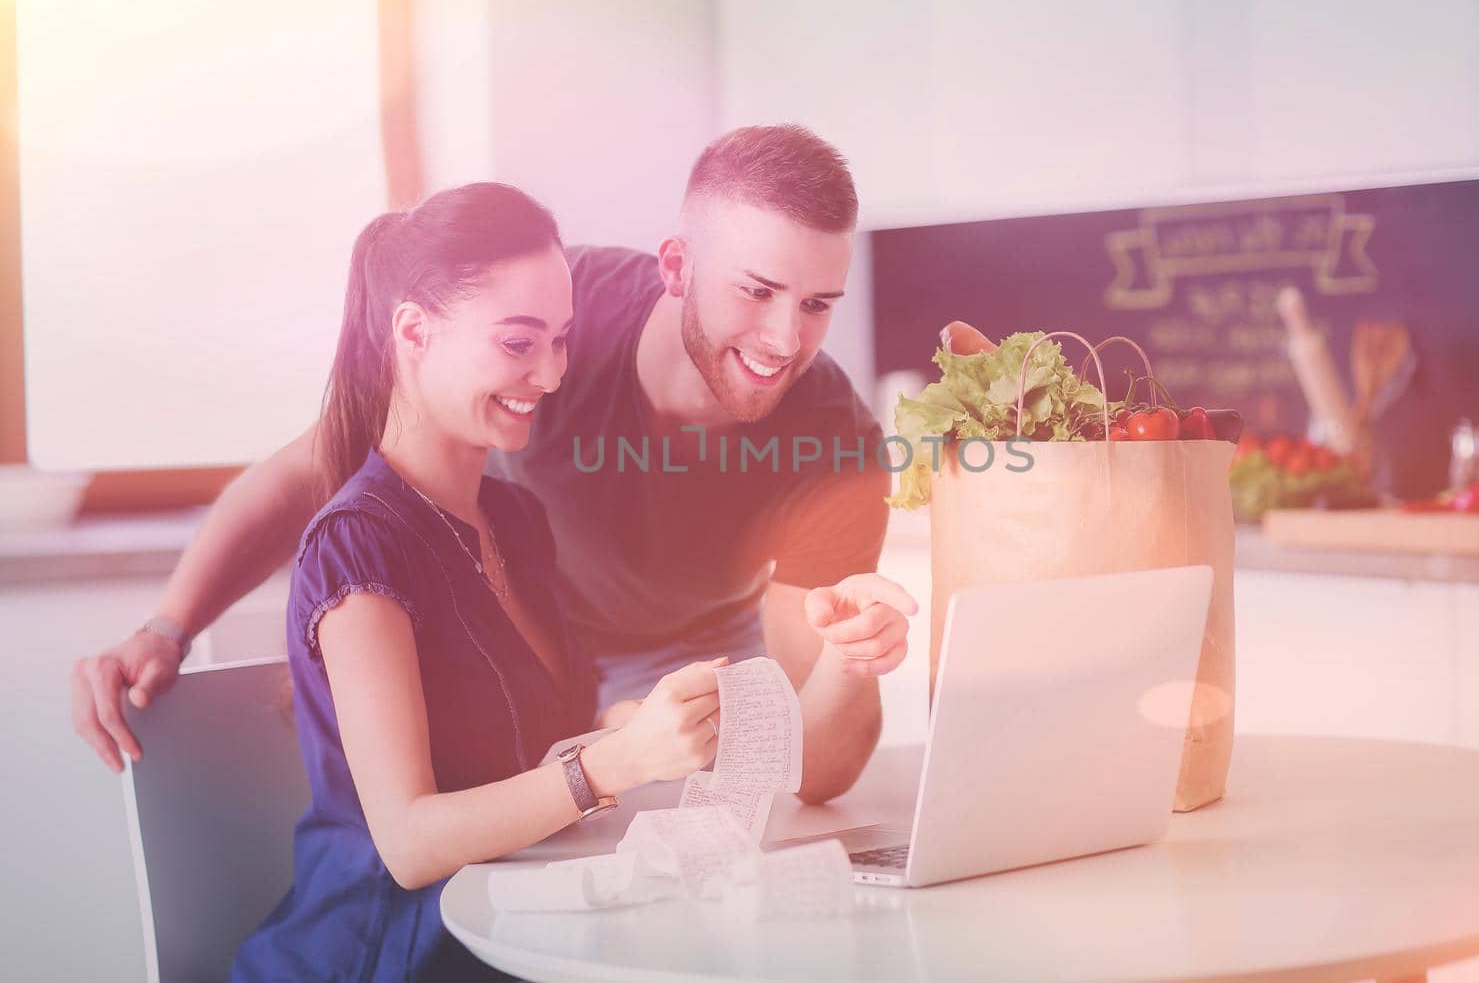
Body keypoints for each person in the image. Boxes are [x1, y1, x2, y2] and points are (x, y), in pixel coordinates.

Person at [71, 123, 915, 804]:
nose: (784, 340)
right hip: (512, 635)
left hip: (692, 655)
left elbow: (816, 766)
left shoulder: (834, 435)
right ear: (676, 267)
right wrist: (166, 627)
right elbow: (316, 463)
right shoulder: (552, 322)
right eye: (757, 290)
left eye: (816, 306)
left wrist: (853, 660)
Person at [230, 182, 727, 981]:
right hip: (387, 953)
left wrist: (649, 725)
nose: (553, 373)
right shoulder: (357, 545)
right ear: (414, 332)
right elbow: (410, 843)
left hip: (514, 931)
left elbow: (535, 756)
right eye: (518, 342)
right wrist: (619, 762)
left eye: (562, 340)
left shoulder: (515, 519)